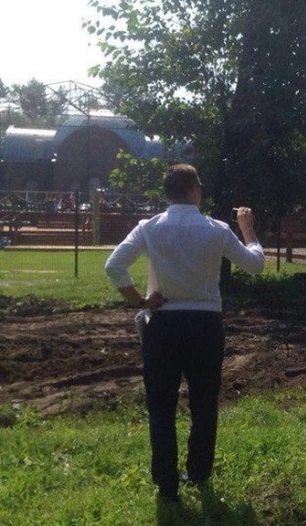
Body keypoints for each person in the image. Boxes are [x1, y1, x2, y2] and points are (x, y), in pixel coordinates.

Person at [104, 163, 265, 503]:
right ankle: (199, 472)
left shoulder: (149, 228)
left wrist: (142, 301)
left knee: (161, 407)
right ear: (192, 189)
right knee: (204, 405)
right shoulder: (217, 229)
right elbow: (255, 263)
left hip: (163, 325)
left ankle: (167, 484)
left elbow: (113, 266)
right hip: (205, 325)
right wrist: (247, 229)